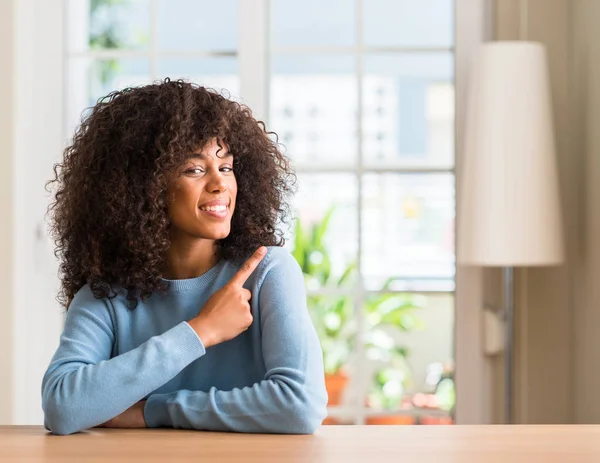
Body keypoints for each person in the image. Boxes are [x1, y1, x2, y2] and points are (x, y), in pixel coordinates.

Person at [41, 79, 328, 435]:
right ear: (143, 187)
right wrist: (200, 331)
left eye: (225, 167)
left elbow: (299, 406)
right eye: (194, 169)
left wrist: (156, 410)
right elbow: (63, 407)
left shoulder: (267, 271)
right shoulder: (107, 295)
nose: (219, 184)